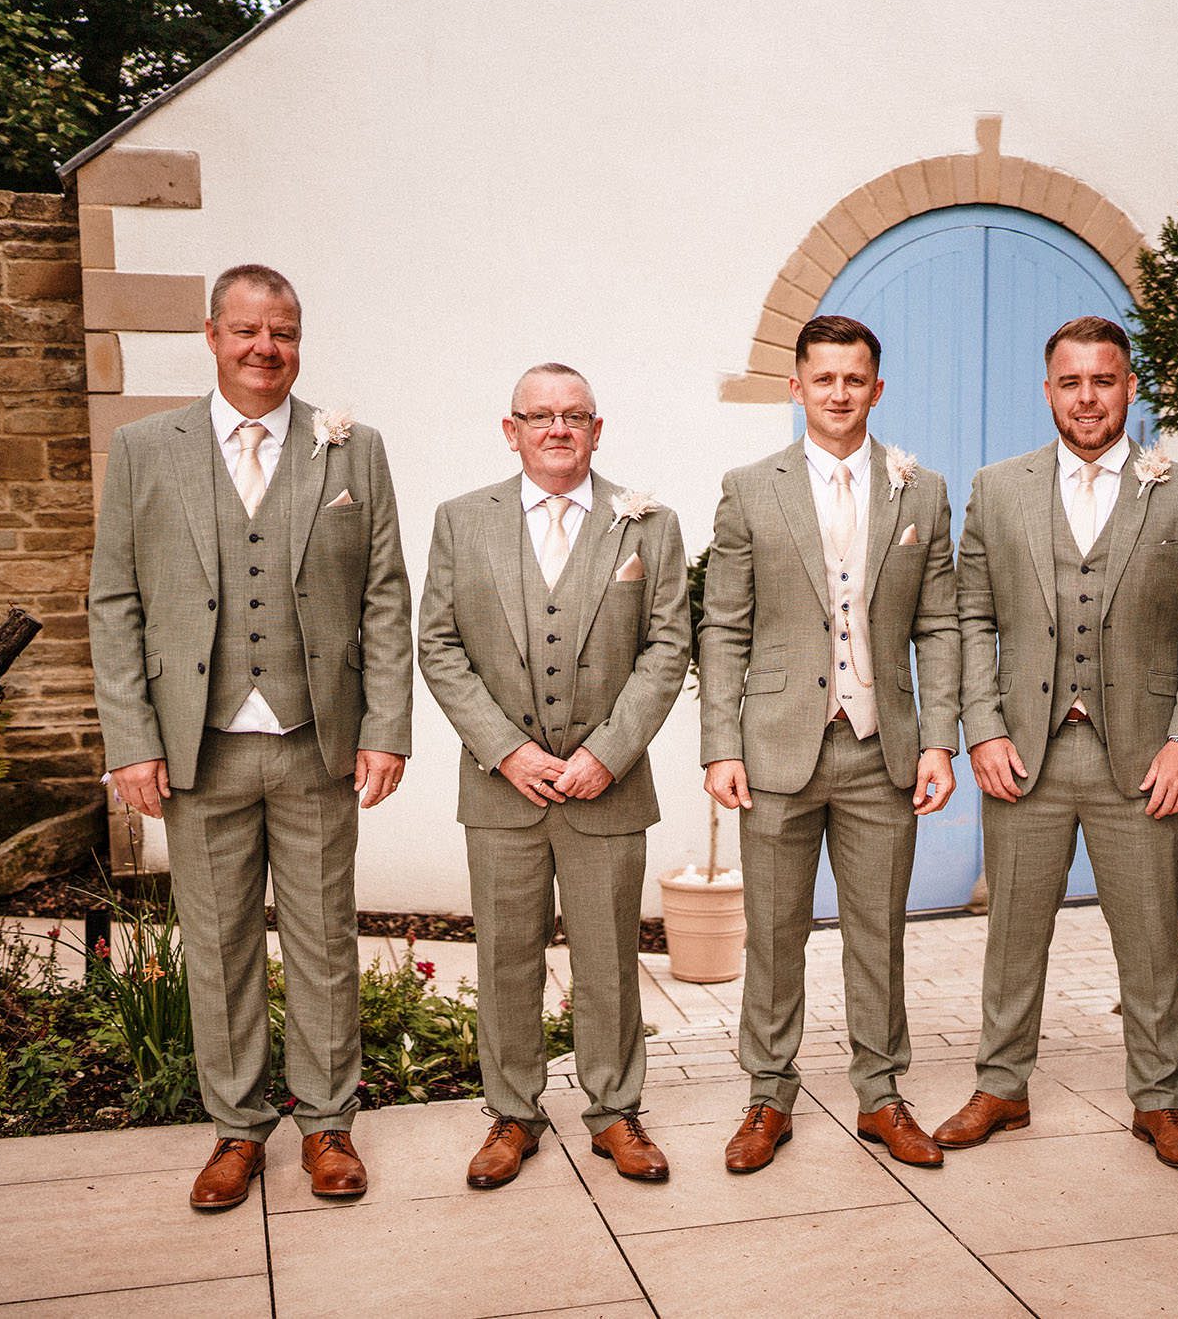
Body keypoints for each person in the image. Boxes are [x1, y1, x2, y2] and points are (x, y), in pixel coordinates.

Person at [88, 264, 412, 1210]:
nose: (265, 348)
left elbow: (385, 597)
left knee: (322, 940)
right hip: (199, 746)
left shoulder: (353, 449)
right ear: (212, 334)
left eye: (284, 332)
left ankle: (328, 1127)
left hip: (317, 741)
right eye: (246, 331)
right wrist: (130, 740)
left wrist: (385, 726)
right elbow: (115, 603)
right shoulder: (147, 447)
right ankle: (235, 1132)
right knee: (219, 941)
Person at [935, 316, 1178, 1170]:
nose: (1088, 397)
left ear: (1130, 387)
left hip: (1140, 754)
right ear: (1048, 392)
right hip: (1025, 749)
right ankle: (1002, 1085)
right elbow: (971, 615)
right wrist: (981, 729)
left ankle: (1159, 1099)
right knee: (1013, 931)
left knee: (1148, 935)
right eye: (1071, 382)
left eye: (1104, 380)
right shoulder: (998, 488)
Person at [418, 363, 690, 1188]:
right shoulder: (462, 521)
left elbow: (668, 646)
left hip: (606, 786)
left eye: (575, 415)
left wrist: (606, 753)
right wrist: (507, 749)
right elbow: (439, 644)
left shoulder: (650, 523)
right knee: (505, 956)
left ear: (597, 429)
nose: (558, 429)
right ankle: (512, 1113)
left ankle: (615, 1111)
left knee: (609, 955)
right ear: (512, 430)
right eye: (540, 416)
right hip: (503, 789)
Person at [699, 315, 960, 1172]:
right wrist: (720, 744)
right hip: (776, 747)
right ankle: (767, 1096)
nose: (840, 394)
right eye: (825, 379)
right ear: (797, 387)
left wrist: (940, 740)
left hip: (882, 747)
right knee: (773, 932)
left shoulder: (920, 490)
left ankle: (881, 1093)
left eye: (856, 380)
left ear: (876, 389)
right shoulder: (750, 487)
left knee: (877, 929)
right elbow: (725, 624)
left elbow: (940, 621)